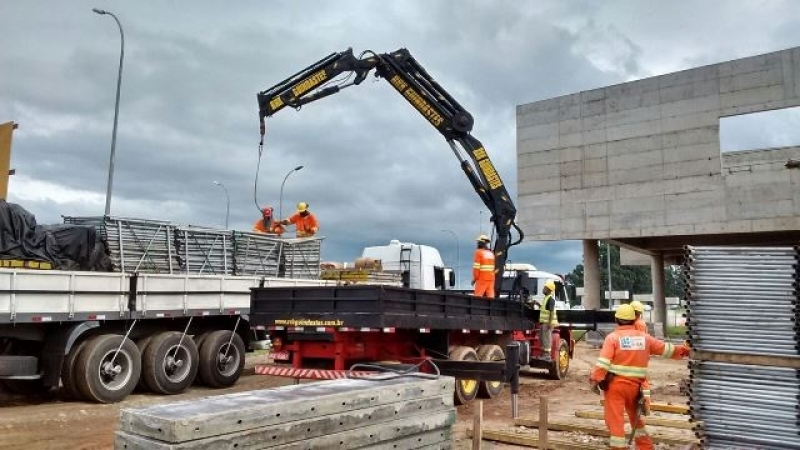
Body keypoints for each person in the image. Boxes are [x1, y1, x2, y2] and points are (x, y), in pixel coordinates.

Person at [590, 304, 690, 450]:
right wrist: (685, 349)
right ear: (634, 319)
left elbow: (603, 363)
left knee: (615, 420)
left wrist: (595, 379)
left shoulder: (612, 338)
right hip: (636, 388)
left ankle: (618, 447)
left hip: (615, 387)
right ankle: (645, 447)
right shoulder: (645, 338)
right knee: (636, 420)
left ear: (616, 319)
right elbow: (667, 349)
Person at [629, 300, 651, 415]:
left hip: (639, 356)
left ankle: (645, 407)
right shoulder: (637, 323)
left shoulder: (638, 324)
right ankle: (641, 405)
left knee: (642, 381)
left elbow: (640, 340)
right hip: (640, 355)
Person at [538, 280, 558, 360]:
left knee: (546, 338)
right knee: (542, 338)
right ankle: (544, 354)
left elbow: (551, 312)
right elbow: (545, 309)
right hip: (544, 322)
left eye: (545, 288)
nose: (543, 289)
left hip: (547, 323)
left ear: (549, 290)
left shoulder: (550, 299)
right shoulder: (546, 298)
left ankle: (547, 355)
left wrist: (550, 323)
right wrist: (537, 304)